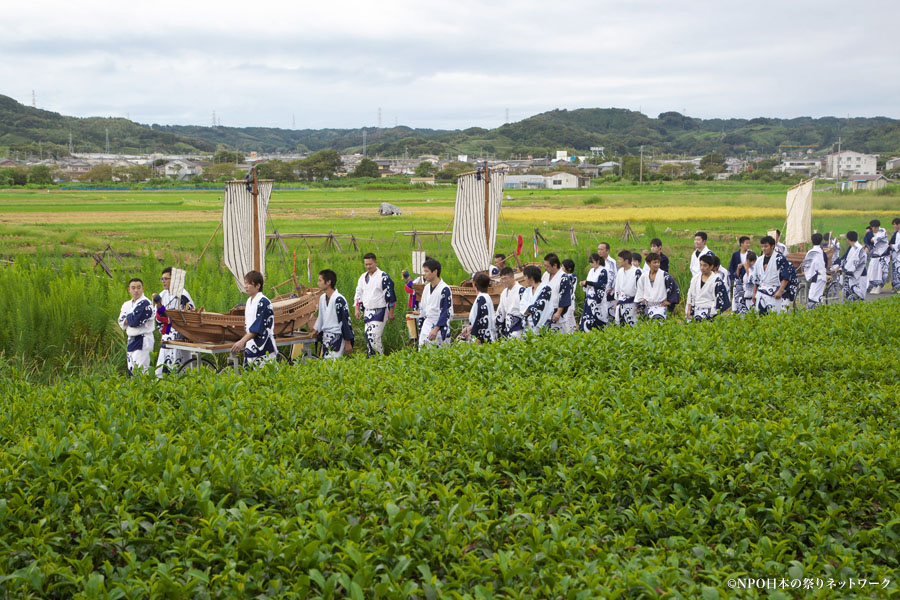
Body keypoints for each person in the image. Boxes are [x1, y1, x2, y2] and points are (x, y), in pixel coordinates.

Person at [153, 267, 196, 377]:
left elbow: (189, 315)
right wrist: (160, 308)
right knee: (164, 366)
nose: (163, 281)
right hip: (167, 332)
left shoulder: (183, 294)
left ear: (174, 279)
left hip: (180, 334)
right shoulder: (162, 295)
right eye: (162, 279)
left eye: (166, 278)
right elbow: (159, 315)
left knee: (180, 367)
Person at [354, 253, 397, 357]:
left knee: (374, 336)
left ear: (376, 263)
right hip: (367, 311)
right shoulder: (362, 277)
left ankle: (379, 358)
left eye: (370, 264)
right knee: (368, 337)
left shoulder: (383, 276)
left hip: (380, 310)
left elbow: (390, 295)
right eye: (366, 264)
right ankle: (372, 359)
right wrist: (356, 309)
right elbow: (358, 294)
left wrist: (391, 312)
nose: (368, 266)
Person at [231, 270, 277, 366]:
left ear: (258, 285)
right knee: (249, 378)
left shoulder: (264, 302)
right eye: (245, 283)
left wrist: (242, 341)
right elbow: (249, 326)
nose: (246, 286)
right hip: (250, 345)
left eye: (249, 283)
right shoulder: (249, 301)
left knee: (264, 378)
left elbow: (258, 328)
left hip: (263, 347)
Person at [313, 269, 354, 359]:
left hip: (337, 336)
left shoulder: (339, 300)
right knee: (326, 364)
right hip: (326, 336)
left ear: (328, 282)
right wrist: (315, 331)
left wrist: (348, 342)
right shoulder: (322, 298)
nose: (318, 283)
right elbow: (321, 317)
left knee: (333, 363)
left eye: (320, 280)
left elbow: (345, 321)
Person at [117, 278, 155, 376]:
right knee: (132, 369)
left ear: (143, 288)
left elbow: (135, 321)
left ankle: (145, 390)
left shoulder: (146, 303)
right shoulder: (126, 304)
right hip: (131, 340)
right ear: (129, 289)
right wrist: (132, 316)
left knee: (141, 370)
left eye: (138, 287)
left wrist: (128, 318)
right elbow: (121, 321)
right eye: (133, 288)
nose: (136, 290)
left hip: (143, 339)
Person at [417, 258, 453, 348]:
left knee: (440, 356)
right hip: (427, 324)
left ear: (435, 272)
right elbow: (423, 310)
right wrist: (421, 325)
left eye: (427, 271)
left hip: (439, 326)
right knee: (423, 353)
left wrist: (436, 329)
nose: (424, 274)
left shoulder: (445, 289)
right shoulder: (426, 288)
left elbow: (446, 312)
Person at [635, 252, 680, 320]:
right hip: (648, 306)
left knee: (658, 326)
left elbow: (675, 288)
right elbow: (640, 289)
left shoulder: (665, 275)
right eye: (654, 262)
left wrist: (670, 301)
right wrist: (641, 299)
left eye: (658, 262)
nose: (657, 264)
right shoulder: (644, 276)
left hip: (660, 307)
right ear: (648, 263)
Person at [752, 236, 791, 315]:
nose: (764, 248)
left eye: (766, 246)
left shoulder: (780, 259)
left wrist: (780, 291)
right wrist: (754, 293)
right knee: (760, 317)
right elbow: (756, 279)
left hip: (774, 292)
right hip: (761, 292)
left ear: (772, 246)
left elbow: (786, 277)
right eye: (762, 246)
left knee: (774, 318)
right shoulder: (759, 260)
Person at [685, 255, 729, 321]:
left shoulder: (717, 281)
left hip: (710, 311)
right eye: (701, 265)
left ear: (711, 266)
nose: (702, 268)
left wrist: (713, 313)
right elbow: (690, 294)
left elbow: (720, 301)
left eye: (705, 265)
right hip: (696, 310)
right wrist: (689, 309)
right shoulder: (695, 278)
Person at [460, 272, 496, 344]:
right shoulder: (486, 297)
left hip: (483, 340)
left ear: (474, 284)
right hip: (486, 337)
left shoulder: (482, 298)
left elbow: (483, 320)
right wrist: (469, 328)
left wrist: (479, 339)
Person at [579, 253, 608, 332]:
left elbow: (601, 284)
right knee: (587, 319)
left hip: (597, 299)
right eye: (590, 262)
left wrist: (588, 283)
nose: (591, 264)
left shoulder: (603, 271)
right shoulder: (591, 271)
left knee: (597, 320)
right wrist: (584, 284)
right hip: (589, 299)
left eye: (592, 262)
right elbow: (588, 283)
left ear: (598, 261)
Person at [521, 264, 553, 333]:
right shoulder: (527, 290)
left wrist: (528, 308)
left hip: (542, 326)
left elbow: (539, 307)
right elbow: (522, 307)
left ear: (531, 277)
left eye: (525, 276)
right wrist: (530, 309)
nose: (524, 279)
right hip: (528, 327)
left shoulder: (546, 289)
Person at [495, 266, 525, 339]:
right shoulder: (504, 292)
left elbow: (525, 310)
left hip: (519, 325)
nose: (504, 281)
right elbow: (500, 312)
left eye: (505, 278)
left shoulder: (521, 290)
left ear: (512, 277)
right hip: (507, 325)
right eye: (502, 279)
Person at [801, 233, 828, 309]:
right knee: (819, 296)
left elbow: (806, 264)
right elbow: (825, 264)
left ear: (812, 241)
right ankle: (822, 312)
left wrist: (807, 273)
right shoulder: (822, 252)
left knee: (812, 297)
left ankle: (816, 313)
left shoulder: (811, 252)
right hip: (822, 276)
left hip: (816, 277)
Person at [613, 249, 640, 326]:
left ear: (626, 261)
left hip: (632, 304)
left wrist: (639, 305)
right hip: (621, 303)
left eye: (620, 259)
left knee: (631, 325)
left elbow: (640, 290)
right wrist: (616, 303)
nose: (619, 261)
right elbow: (617, 288)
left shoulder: (637, 272)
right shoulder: (620, 271)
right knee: (620, 326)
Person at [840, 230, 868, 301]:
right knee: (850, 294)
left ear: (848, 239)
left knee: (859, 295)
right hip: (852, 274)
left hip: (859, 274)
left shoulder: (859, 248)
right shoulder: (852, 248)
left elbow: (860, 262)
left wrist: (850, 270)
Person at [542, 253, 565, 333]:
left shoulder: (563, 277)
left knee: (557, 334)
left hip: (556, 310)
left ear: (555, 265)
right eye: (545, 266)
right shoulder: (545, 275)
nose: (545, 268)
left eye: (547, 266)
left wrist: (558, 312)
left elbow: (564, 296)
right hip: (545, 309)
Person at [865, 219, 890, 294]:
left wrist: (871, 238)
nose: (874, 229)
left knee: (881, 271)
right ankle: (874, 286)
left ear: (878, 227)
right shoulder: (870, 233)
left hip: (883, 255)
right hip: (874, 255)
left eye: (876, 227)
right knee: (872, 271)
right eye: (873, 227)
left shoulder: (882, 231)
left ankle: (879, 286)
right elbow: (867, 243)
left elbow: (874, 240)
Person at [597, 242, 617, 323]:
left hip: (609, 293)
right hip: (599, 293)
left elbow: (615, 277)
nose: (599, 251)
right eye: (598, 249)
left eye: (601, 249)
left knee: (610, 316)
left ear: (607, 251)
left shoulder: (612, 262)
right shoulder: (597, 262)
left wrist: (611, 289)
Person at [557, 259, 578, 333]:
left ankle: (568, 335)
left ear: (568, 268)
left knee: (567, 320)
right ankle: (573, 332)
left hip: (569, 302)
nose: (561, 268)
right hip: (570, 302)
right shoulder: (570, 276)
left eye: (562, 266)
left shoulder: (571, 277)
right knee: (570, 319)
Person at [733, 251, 757, 315]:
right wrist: (739, 268)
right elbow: (738, 277)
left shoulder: (755, 269)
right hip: (746, 296)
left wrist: (747, 269)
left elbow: (753, 280)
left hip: (753, 297)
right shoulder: (747, 268)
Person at [890, 218, 900, 290]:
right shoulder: (896, 234)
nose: (894, 226)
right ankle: (896, 287)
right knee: (895, 271)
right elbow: (890, 243)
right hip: (895, 256)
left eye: (894, 225)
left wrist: (893, 246)